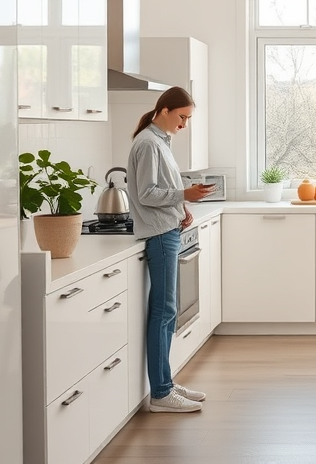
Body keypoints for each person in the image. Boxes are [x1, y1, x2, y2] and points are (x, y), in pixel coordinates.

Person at [128, 86, 216, 413]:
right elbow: (148, 193)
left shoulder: (160, 141)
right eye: (182, 117)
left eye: (188, 119)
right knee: (164, 313)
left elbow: (161, 191)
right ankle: (161, 393)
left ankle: (166, 382)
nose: (184, 125)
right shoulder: (149, 144)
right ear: (164, 110)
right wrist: (183, 196)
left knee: (168, 313)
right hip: (161, 236)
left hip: (169, 228)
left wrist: (183, 208)